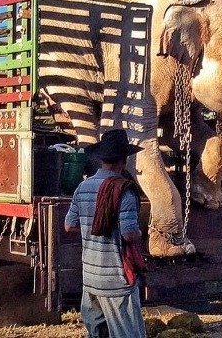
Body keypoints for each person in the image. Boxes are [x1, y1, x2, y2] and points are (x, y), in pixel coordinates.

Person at [64, 129, 146, 338]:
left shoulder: (82, 188)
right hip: (117, 282)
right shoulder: (124, 190)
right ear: (124, 160)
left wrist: (93, 227)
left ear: (102, 158)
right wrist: (139, 232)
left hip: (91, 281)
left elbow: (69, 225)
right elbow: (128, 234)